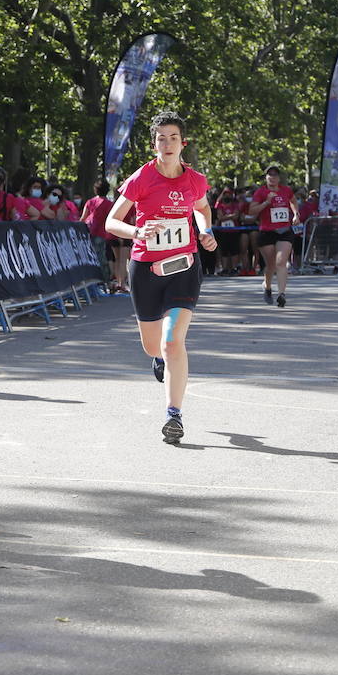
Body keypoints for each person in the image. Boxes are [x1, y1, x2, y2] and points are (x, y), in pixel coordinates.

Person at [105, 112, 217, 445]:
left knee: (173, 342)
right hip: (146, 270)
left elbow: (203, 208)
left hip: (183, 267)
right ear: (154, 144)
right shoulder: (141, 178)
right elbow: (112, 222)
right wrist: (138, 230)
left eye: (173, 138)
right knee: (154, 346)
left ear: (183, 143)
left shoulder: (195, 180)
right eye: (161, 139)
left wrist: (206, 230)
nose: (167, 144)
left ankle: (174, 415)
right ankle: (158, 359)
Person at [248, 166, 299, 306]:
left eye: (275, 175)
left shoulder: (286, 190)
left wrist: (295, 214)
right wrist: (266, 202)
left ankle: (282, 294)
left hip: (284, 231)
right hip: (267, 232)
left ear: (279, 178)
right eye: (270, 175)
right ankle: (267, 286)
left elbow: (293, 201)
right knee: (270, 265)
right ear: (266, 178)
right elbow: (252, 211)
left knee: (281, 262)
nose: (273, 177)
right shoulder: (261, 192)